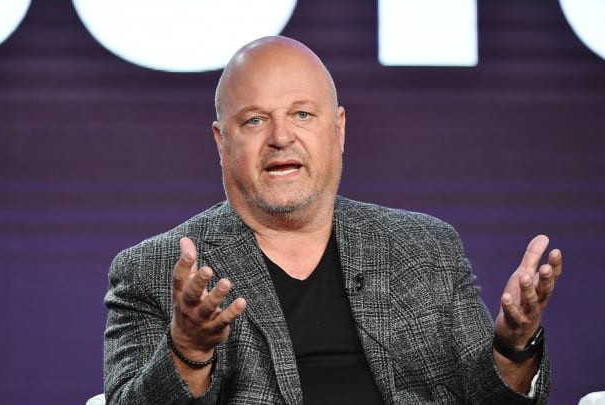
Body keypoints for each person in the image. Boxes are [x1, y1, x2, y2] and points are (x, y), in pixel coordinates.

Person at [103, 36, 562, 404]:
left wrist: (513, 345)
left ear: (338, 129)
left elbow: (494, 399)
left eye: (302, 114)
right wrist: (189, 349)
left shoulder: (426, 248)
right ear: (222, 142)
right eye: (256, 121)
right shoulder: (154, 270)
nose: (282, 137)